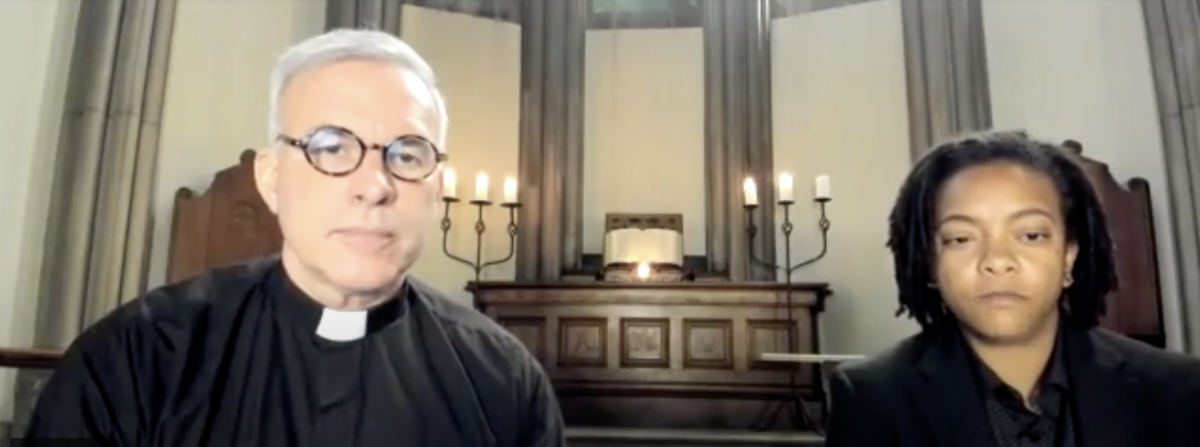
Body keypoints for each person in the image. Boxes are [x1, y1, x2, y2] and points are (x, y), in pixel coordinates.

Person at [23, 29, 565, 447]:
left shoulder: (503, 381)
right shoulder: (134, 360)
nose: (375, 186)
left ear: (437, 189)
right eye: (331, 147)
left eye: (406, 154)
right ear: (271, 179)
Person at [825, 131, 1200, 447]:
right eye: (960, 238)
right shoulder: (872, 397)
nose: (997, 260)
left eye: (1031, 235)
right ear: (930, 264)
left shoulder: (1176, 389)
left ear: (1068, 256)